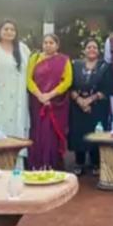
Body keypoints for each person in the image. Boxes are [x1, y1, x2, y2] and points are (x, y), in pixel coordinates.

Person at [27, 34, 72, 170]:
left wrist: (49, 95)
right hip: (37, 102)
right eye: (45, 42)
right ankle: (37, 165)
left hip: (55, 104)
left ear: (57, 45)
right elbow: (28, 79)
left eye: (51, 43)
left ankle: (52, 165)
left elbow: (67, 81)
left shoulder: (63, 60)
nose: (47, 45)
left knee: (51, 134)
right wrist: (40, 95)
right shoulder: (34, 58)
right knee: (38, 133)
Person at [69, 39, 112, 175]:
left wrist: (89, 100)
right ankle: (79, 163)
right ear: (85, 50)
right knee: (79, 133)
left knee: (96, 133)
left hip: (97, 107)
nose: (91, 49)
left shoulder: (105, 67)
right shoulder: (75, 65)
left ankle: (96, 163)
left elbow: (108, 87)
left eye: (94, 47)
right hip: (78, 106)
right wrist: (80, 100)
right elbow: (70, 85)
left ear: (98, 50)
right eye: (89, 47)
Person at [0, 19, 30, 140]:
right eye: (6, 29)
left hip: (19, 97)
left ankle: (18, 158)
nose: (9, 32)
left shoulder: (23, 48)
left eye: (12, 29)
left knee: (18, 125)